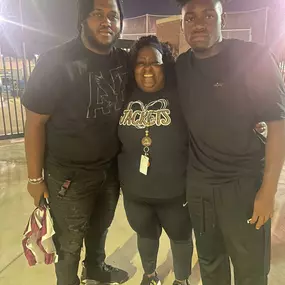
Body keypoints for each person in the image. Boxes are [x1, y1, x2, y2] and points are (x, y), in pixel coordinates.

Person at [175, 0, 285, 285]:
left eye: (209, 15)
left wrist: (267, 191)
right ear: (182, 24)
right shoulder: (182, 67)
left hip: (243, 187)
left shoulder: (252, 57)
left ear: (223, 19)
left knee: (250, 272)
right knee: (210, 264)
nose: (199, 23)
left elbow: (278, 123)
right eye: (190, 18)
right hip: (199, 188)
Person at [21, 0, 130, 284]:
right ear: (82, 19)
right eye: (97, 14)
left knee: (100, 228)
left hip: (109, 169)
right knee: (69, 242)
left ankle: (95, 267)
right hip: (68, 175)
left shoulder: (122, 60)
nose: (106, 21)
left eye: (113, 16)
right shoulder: (56, 61)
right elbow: (34, 123)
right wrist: (35, 180)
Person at [118, 35, 193, 285]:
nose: (147, 69)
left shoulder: (181, 96)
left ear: (165, 65)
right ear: (133, 67)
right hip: (136, 193)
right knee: (146, 235)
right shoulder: (124, 96)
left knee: (181, 238)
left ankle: (181, 280)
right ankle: (150, 275)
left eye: (155, 62)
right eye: (141, 63)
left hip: (175, 192)